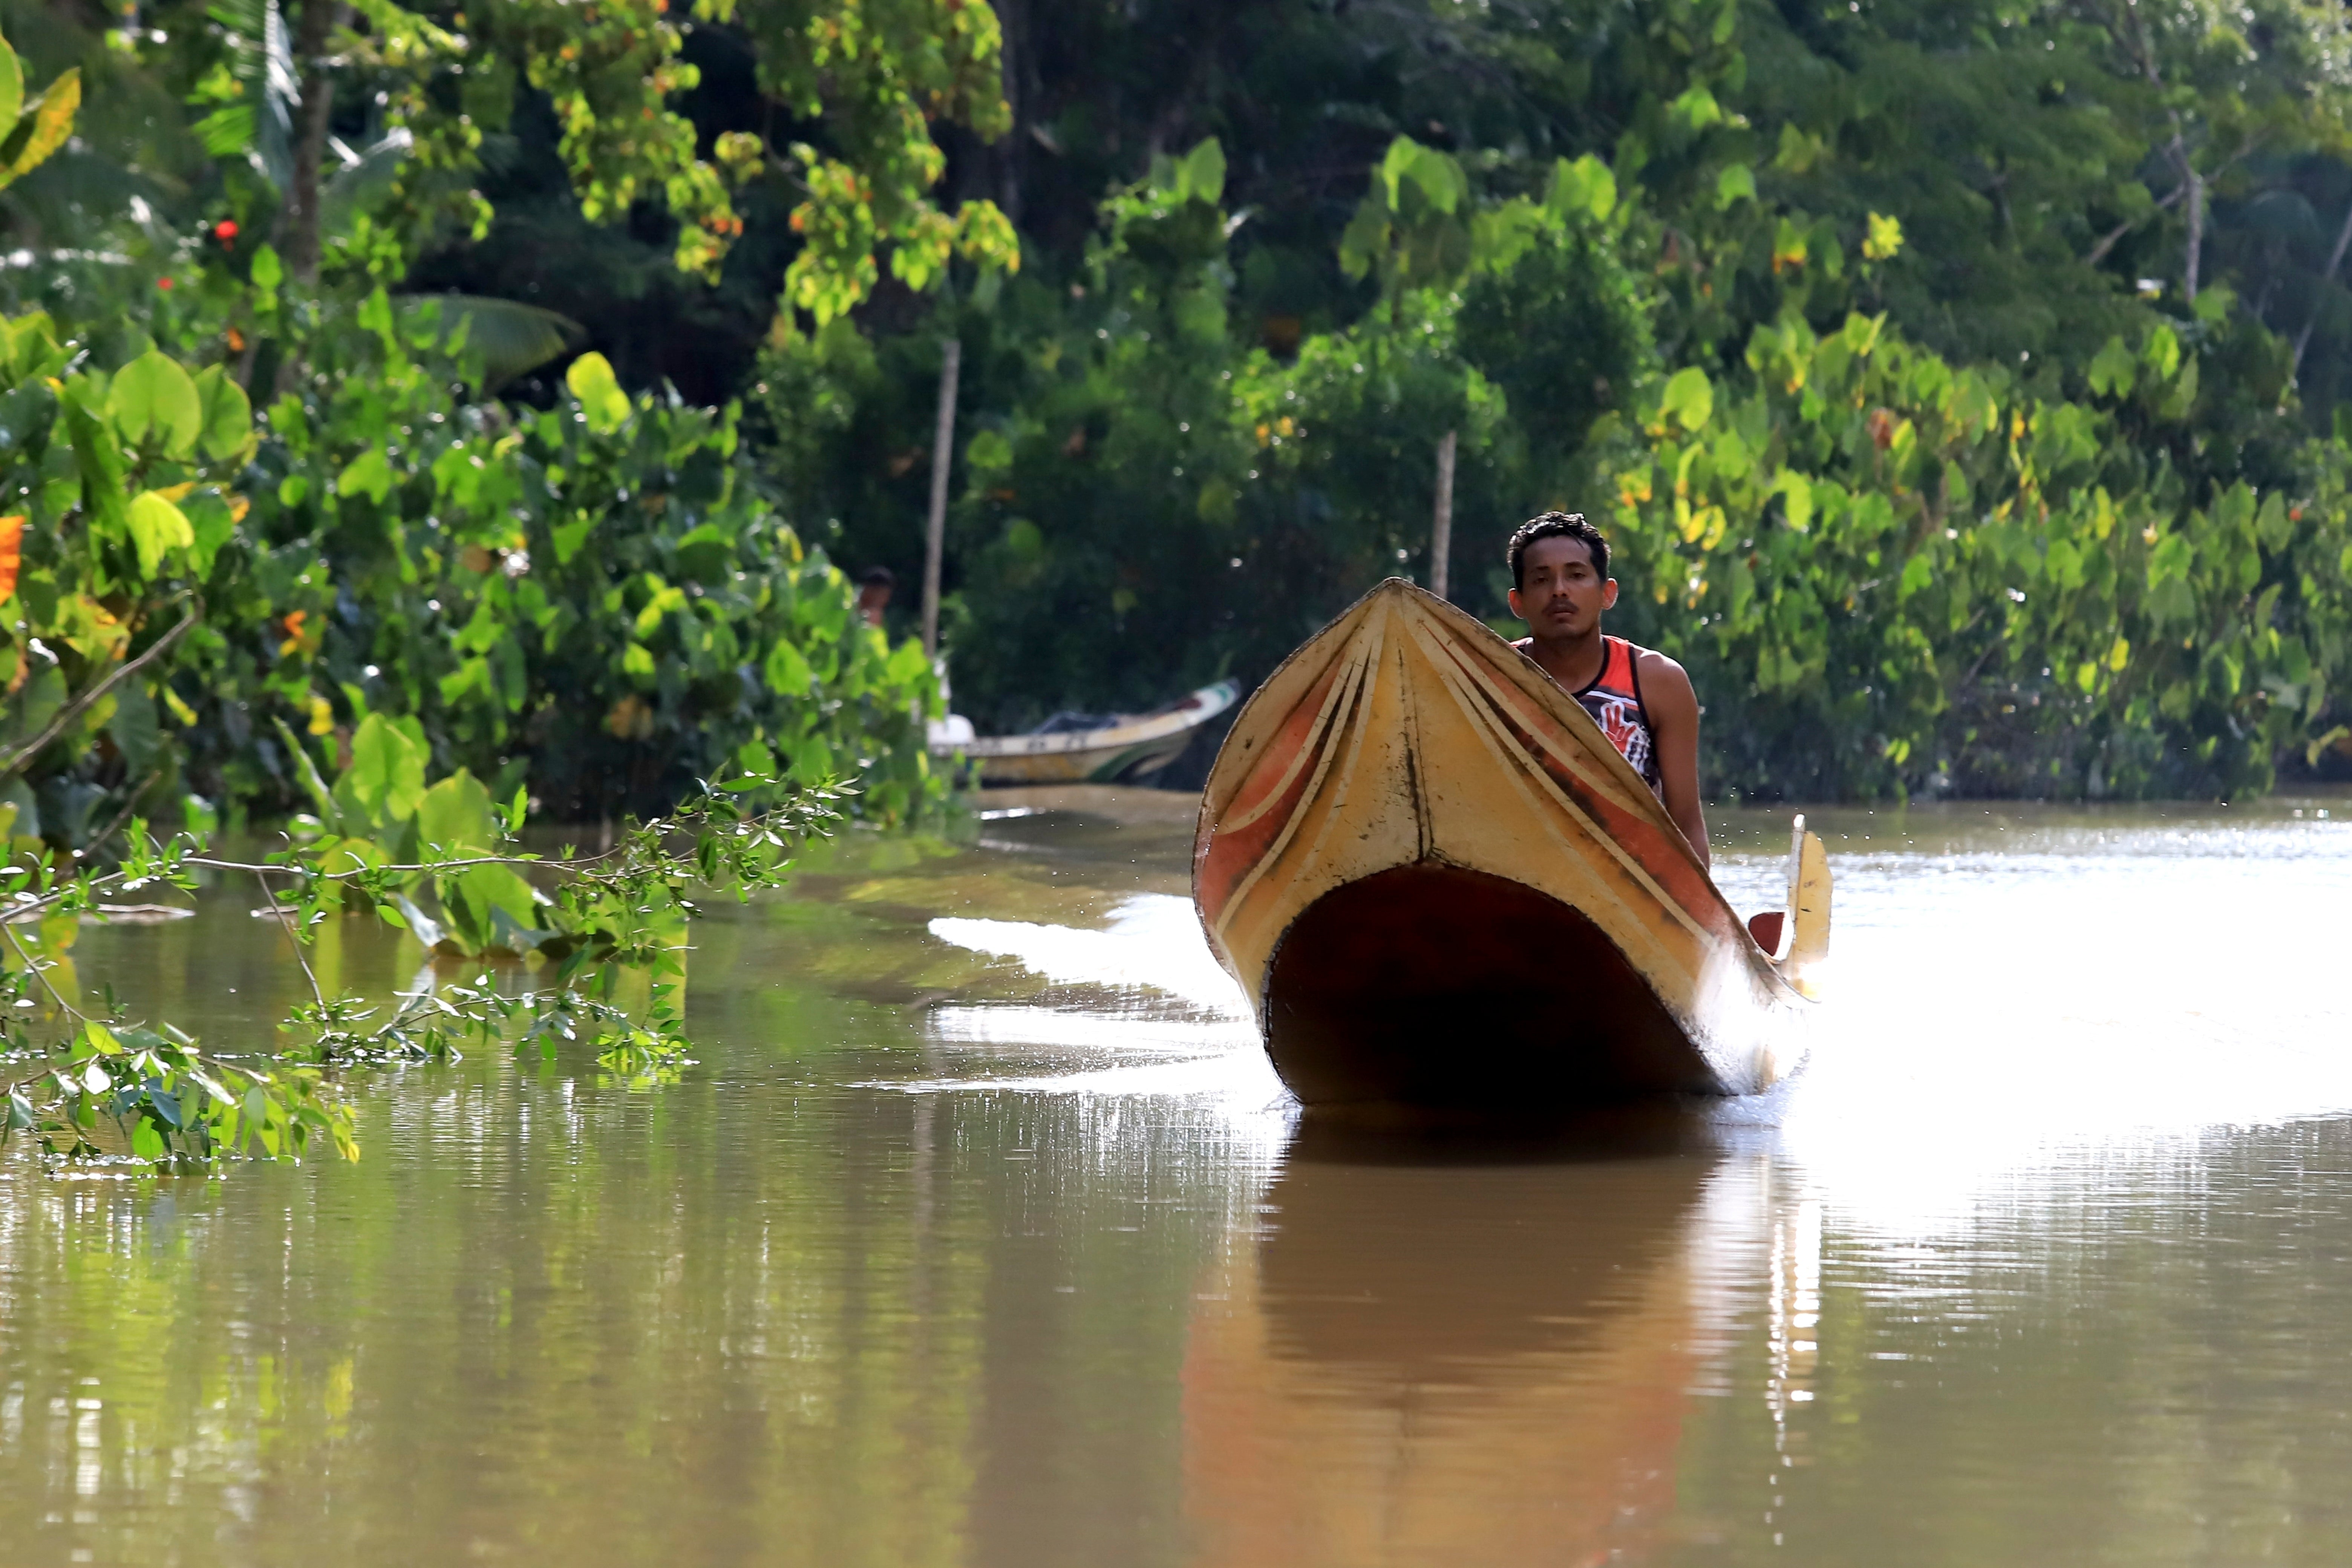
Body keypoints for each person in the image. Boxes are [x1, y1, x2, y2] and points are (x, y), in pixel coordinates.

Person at [1505, 511, 1710, 871]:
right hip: (1520, 881)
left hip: (1629, 887)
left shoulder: (1659, 683)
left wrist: (1694, 922)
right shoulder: (1489, 674)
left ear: (1608, 593)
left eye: (1576, 575)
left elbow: (1687, 824)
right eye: (1541, 579)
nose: (1559, 590)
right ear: (1518, 602)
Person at [854, 565, 895, 629]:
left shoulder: (878, 617)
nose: (886, 601)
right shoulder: (849, 606)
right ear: (869, 590)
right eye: (883, 595)